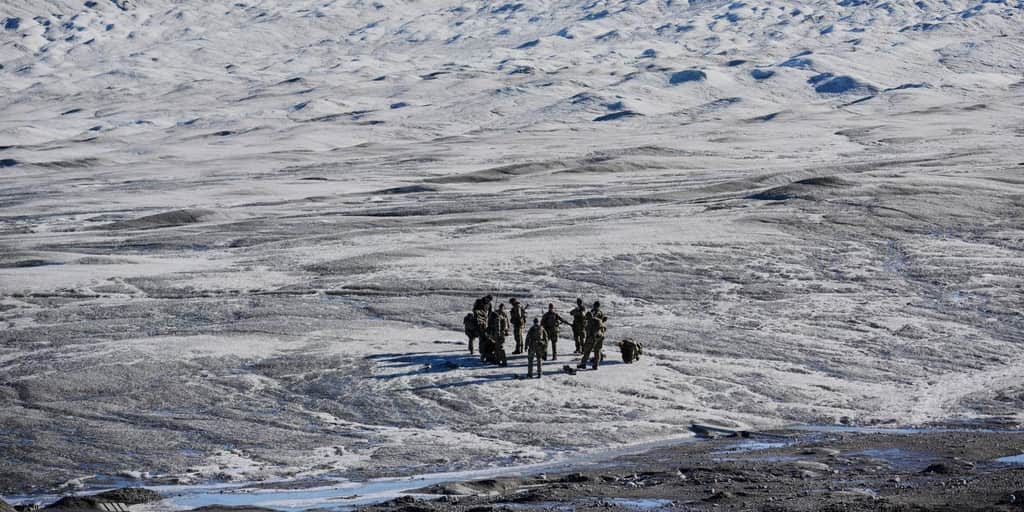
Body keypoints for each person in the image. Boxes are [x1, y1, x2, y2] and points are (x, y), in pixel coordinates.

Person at [578, 301, 607, 370]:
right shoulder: (599, 319)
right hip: (601, 336)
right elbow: (603, 327)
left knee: (587, 350)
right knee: (597, 351)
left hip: (594, 337)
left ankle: (583, 364)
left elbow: (589, 332)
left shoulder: (591, 320)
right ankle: (595, 365)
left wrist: (589, 339)